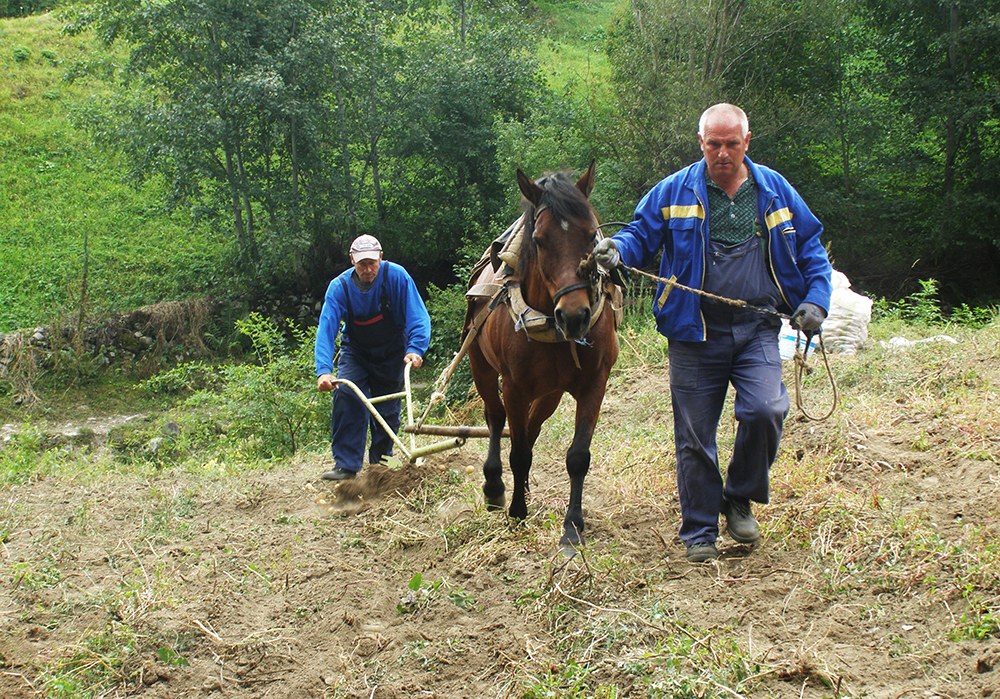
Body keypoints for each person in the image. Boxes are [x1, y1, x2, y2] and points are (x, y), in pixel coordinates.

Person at [594, 103, 832, 562]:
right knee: (695, 435)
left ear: (747, 142)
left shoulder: (775, 191)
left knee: (766, 410)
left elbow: (810, 248)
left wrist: (815, 301)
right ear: (700, 143)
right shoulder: (673, 191)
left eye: (732, 144)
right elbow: (638, 235)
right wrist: (615, 249)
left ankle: (738, 495)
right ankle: (700, 531)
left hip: (757, 327)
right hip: (692, 333)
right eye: (713, 144)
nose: (722, 153)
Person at [315, 234, 431, 480]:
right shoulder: (340, 287)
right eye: (361, 264)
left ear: (380, 257)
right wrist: (324, 370)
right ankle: (346, 466)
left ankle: (381, 466)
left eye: (371, 263)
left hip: (392, 351)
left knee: (387, 409)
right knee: (347, 394)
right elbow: (326, 329)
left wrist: (415, 349)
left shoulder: (397, 277)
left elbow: (417, 316)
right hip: (356, 352)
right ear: (352, 261)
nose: (367, 269)